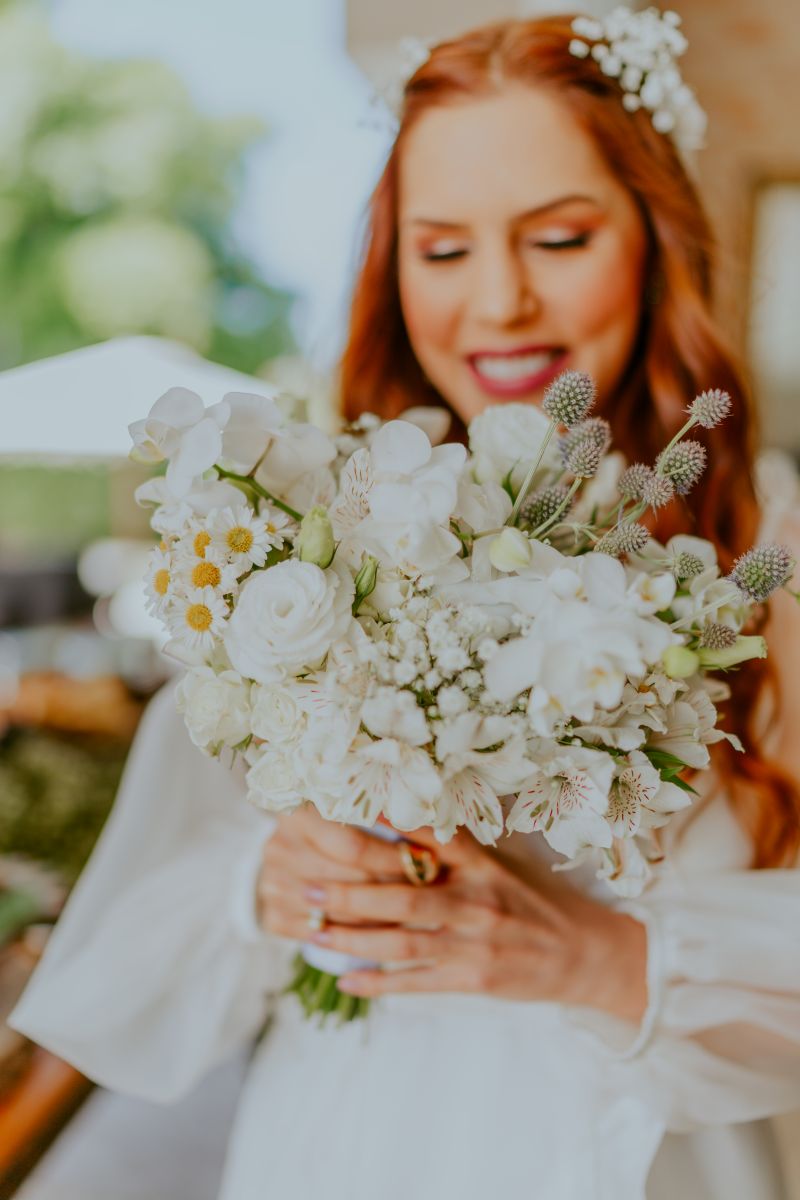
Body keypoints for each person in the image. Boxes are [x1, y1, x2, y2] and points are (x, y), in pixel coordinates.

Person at [10, 12, 800, 1200]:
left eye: (559, 237)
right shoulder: (312, 537)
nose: (500, 306)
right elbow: (139, 936)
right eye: (441, 251)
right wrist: (263, 885)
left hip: (636, 1160)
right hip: (351, 1142)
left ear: (653, 234)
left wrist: (590, 954)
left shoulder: (766, 551)